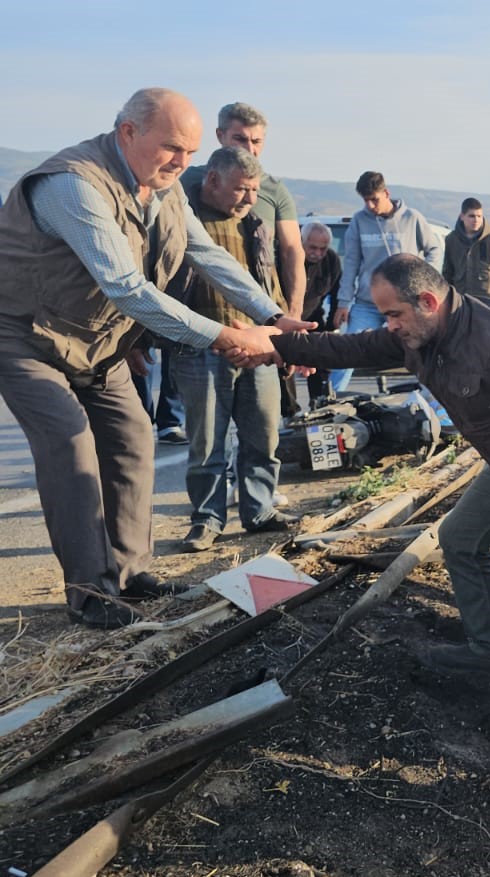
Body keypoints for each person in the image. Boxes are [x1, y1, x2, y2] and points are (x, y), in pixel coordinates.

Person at [0, 88, 311, 629]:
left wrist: (272, 313)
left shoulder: (163, 189)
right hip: (27, 337)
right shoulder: (73, 185)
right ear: (128, 134)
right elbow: (125, 287)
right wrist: (221, 336)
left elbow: (204, 252)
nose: (181, 163)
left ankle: (130, 570)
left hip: (97, 344)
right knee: (71, 444)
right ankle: (90, 592)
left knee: (134, 439)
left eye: (189, 153)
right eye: (171, 147)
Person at [249, 255, 490, 674]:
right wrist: (278, 344)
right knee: (460, 540)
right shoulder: (416, 334)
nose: (390, 325)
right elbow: (354, 346)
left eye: (394, 314)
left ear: (427, 301)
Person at [170, 147, 300, 552]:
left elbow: (269, 287)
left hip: (259, 348)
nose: (249, 199)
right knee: (207, 443)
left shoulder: (255, 225)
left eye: (255, 190)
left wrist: (284, 343)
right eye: (242, 190)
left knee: (263, 435)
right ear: (212, 180)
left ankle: (259, 511)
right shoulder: (182, 219)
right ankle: (207, 519)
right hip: (201, 347)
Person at [180, 102, 306, 417]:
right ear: (221, 136)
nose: (250, 148)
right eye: (241, 139)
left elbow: (292, 252)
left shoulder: (273, 190)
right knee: (207, 445)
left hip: (262, 326)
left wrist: (290, 316)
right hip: (205, 329)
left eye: (257, 141)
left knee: (265, 434)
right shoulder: (187, 185)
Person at [330, 170, 443, 393]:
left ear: (386, 193)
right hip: (368, 303)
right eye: (366, 200)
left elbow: (435, 248)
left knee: (422, 348)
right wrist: (343, 302)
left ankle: (432, 401)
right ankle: (330, 399)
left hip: (405, 303)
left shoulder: (412, 218)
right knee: (349, 350)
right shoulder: (359, 222)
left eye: (375, 199)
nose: (371, 206)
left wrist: (425, 281)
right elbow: (351, 263)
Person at [441, 197, 490, 304]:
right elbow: (448, 271)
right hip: (461, 299)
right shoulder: (451, 240)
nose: (476, 220)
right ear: (462, 216)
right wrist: (446, 297)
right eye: (471, 216)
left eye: (479, 216)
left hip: (488, 300)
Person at [300, 221, 342, 402]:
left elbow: (336, 295)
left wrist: (332, 327)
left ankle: (319, 403)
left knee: (321, 359)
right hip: (284, 315)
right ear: (302, 242)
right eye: (313, 248)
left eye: (322, 249)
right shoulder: (288, 256)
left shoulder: (331, 260)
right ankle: (288, 411)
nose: (317, 254)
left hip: (314, 316)